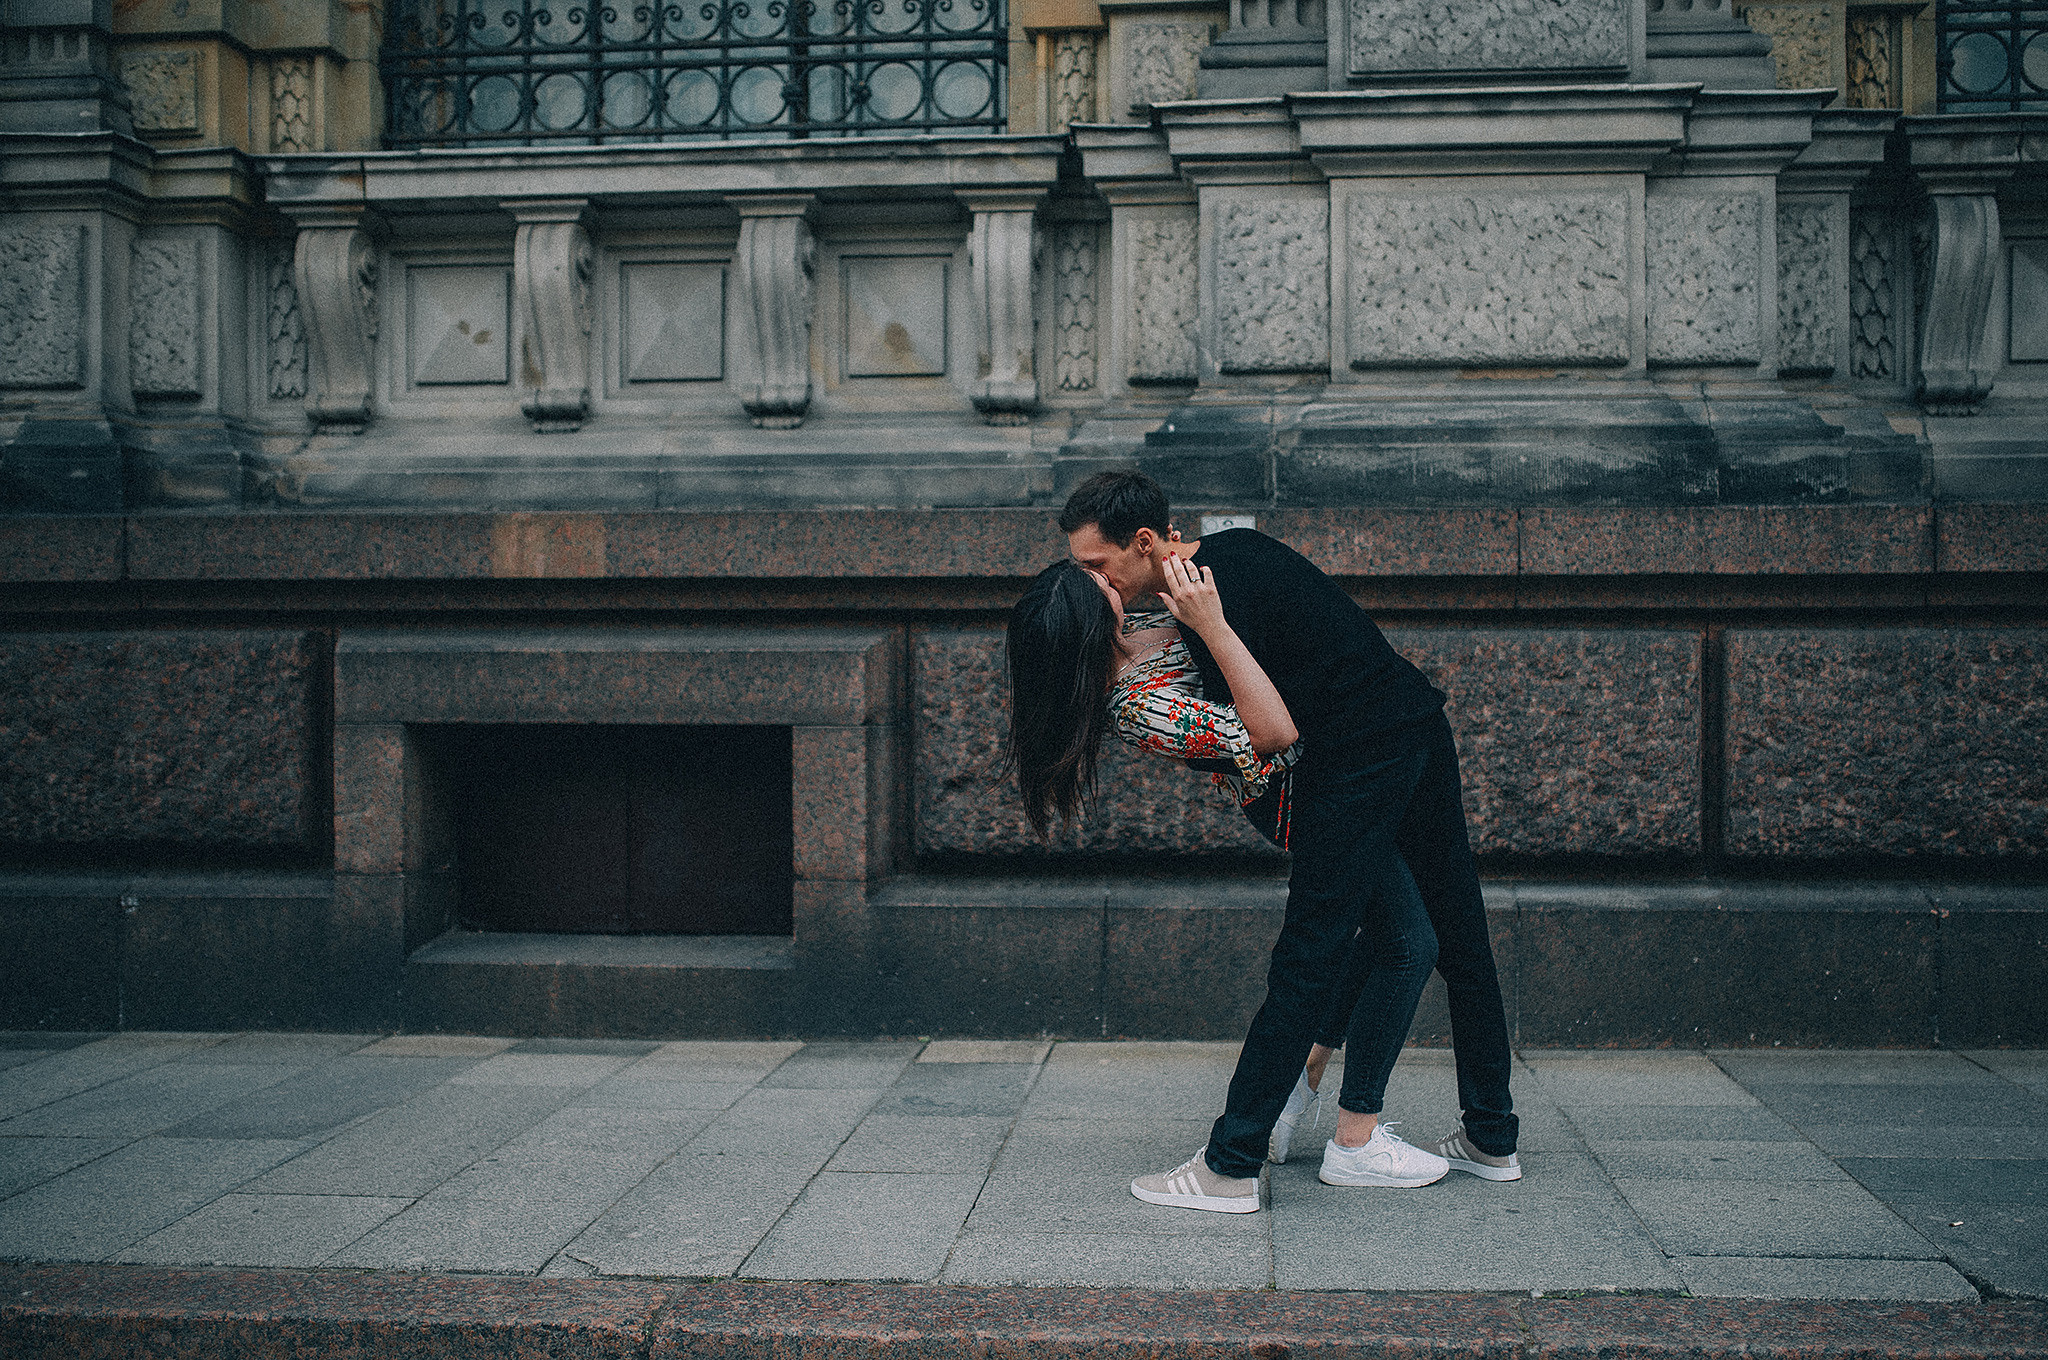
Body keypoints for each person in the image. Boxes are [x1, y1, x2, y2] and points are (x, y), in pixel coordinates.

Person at [1050, 470, 1520, 1211]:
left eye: (1096, 566)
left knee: (1336, 951)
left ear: (1144, 544)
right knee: (1441, 933)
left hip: (1356, 765)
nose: (1090, 582)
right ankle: (1490, 1135)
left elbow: (1278, 729)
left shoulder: (1212, 591)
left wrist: (1208, 626)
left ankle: (1241, 1159)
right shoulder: (1215, 573)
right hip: (1409, 726)